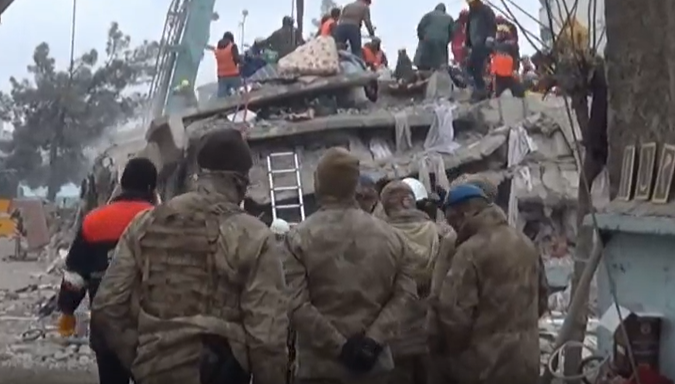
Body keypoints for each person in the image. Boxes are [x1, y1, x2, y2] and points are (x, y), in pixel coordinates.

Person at [92, 128, 289, 384]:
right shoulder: (254, 235)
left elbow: (107, 305)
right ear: (240, 181)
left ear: (201, 173)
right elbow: (268, 338)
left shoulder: (145, 223)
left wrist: (140, 360)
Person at [282, 149, 417, 383]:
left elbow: (295, 305)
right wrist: (372, 342)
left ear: (318, 183)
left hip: (321, 369)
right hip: (375, 368)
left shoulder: (298, 238)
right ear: (355, 186)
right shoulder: (391, 237)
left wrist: (340, 347)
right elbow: (406, 295)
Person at [59, 157, 159, 384]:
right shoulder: (162, 220)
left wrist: (67, 309)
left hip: (107, 324)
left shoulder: (95, 220)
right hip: (152, 327)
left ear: (122, 185)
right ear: (152, 189)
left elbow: (75, 276)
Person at [429, 184, 541, 383]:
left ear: (462, 215)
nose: (453, 228)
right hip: (527, 359)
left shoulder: (470, 250)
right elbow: (542, 298)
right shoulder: (525, 242)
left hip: (485, 365)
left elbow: (454, 314)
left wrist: (453, 352)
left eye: (452, 220)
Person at [380, 181, 457, 384]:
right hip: (431, 331)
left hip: (393, 334)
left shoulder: (378, 237)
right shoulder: (442, 234)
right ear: (408, 201)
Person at [462, 0, 496, 98]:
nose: (471, 5)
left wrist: (490, 39)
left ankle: (481, 89)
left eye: (472, 2)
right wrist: (467, 43)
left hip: (484, 43)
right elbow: (469, 29)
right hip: (475, 44)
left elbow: (492, 25)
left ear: (477, 0)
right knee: (470, 67)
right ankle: (480, 88)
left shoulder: (486, 11)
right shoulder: (471, 14)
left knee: (475, 67)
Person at [415, 3, 456, 71]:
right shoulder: (449, 18)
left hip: (426, 41)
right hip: (441, 43)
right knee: (440, 66)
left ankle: (422, 74)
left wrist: (422, 38)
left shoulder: (428, 15)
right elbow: (452, 33)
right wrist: (446, 41)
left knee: (423, 64)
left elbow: (420, 28)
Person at [213, 31, 243, 98]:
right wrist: (242, 60)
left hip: (222, 77)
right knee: (240, 94)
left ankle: (222, 107)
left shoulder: (217, 49)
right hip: (234, 75)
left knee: (222, 98)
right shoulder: (232, 46)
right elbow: (237, 59)